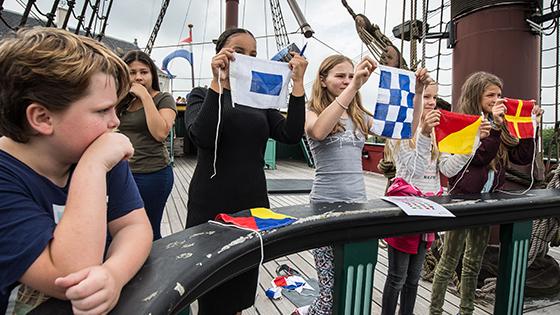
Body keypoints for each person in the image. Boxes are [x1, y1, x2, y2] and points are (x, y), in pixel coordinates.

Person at [0, 27, 152, 314]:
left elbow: (134, 226)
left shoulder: (95, 151)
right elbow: (70, 275)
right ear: (42, 118)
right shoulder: (8, 177)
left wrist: (114, 274)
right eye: (102, 111)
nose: (115, 122)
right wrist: (92, 168)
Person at [185, 28, 308, 315]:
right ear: (220, 52)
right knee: (212, 290)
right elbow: (201, 136)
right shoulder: (201, 95)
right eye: (238, 51)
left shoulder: (258, 99)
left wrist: (298, 85)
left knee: (240, 289)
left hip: (252, 203)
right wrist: (219, 83)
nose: (246, 58)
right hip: (210, 202)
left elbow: (290, 134)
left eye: (253, 54)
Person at [301, 54, 430, 315]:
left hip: (358, 207)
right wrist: (354, 86)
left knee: (353, 285)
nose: (347, 80)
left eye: (351, 75)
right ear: (323, 80)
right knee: (328, 296)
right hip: (324, 207)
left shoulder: (359, 116)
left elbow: (405, 129)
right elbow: (318, 132)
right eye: (340, 76)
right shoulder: (311, 111)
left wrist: (418, 92)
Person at [429, 71, 543, 315]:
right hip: (462, 200)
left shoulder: (500, 122)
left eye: (499, 94)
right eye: (490, 94)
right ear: (476, 96)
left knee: (473, 263)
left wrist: (529, 127)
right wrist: (494, 129)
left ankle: (466, 310)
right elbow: (480, 158)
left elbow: (521, 157)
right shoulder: (467, 125)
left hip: (487, 201)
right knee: (449, 261)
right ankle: (435, 311)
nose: (497, 98)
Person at [380, 82, 442, 315]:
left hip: (428, 209)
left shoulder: (437, 131)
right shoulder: (402, 132)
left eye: (434, 97)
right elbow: (413, 171)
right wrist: (424, 134)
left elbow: (445, 168)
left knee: (414, 278)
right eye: (426, 96)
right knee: (397, 276)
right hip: (405, 209)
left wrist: (472, 143)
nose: (432, 102)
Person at [117, 50, 177, 241]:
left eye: (144, 72)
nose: (138, 77)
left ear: (152, 74)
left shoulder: (163, 99)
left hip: (152, 173)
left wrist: (145, 96)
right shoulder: (121, 101)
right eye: (132, 72)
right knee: (121, 230)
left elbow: (160, 133)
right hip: (122, 173)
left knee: (148, 230)